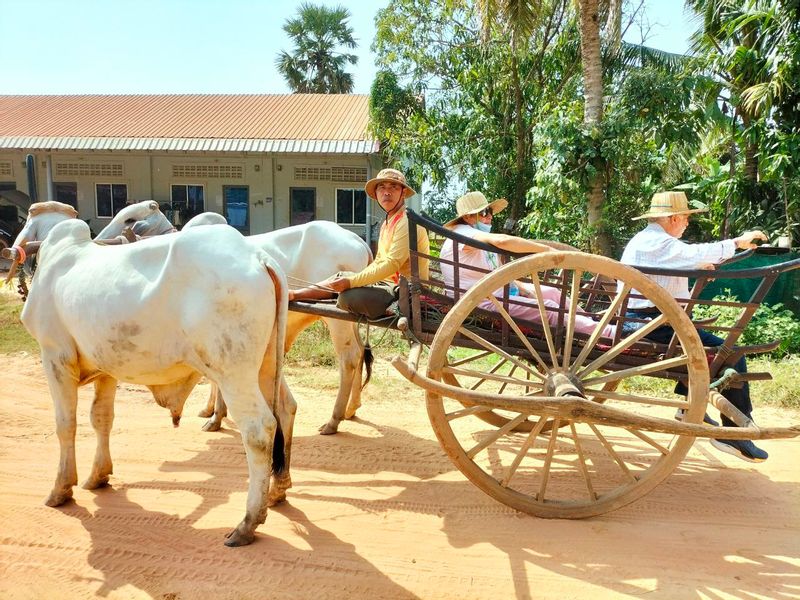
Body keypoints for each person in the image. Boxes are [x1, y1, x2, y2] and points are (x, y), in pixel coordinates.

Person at [620, 190, 768, 462]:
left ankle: (689, 408)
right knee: (730, 352)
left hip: (644, 320)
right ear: (673, 218)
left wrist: (698, 269)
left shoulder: (651, 241)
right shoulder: (659, 243)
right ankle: (734, 434)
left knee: (700, 344)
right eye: (686, 217)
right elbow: (694, 252)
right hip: (650, 324)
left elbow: (679, 265)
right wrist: (738, 241)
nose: (688, 222)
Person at [440, 191, 616, 338]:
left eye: (490, 212)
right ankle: (607, 335)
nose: (490, 217)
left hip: (495, 294)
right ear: (468, 217)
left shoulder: (473, 235)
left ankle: (591, 327)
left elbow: (493, 274)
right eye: (485, 212)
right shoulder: (463, 233)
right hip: (479, 303)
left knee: (552, 293)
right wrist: (546, 250)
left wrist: (523, 288)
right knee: (551, 308)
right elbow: (502, 240)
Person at [289, 168, 430, 319]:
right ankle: (294, 294)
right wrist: (353, 279)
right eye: (382, 187)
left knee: (348, 297)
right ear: (376, 194)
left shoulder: (406, 221)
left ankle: (393, 308)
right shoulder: (387, 223)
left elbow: (392, 264)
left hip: (406, 292)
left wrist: (351, 282)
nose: (387, 192)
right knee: (339, 277)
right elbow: (379, 262)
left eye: (393, 187)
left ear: (403, 193)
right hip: (387, 285)